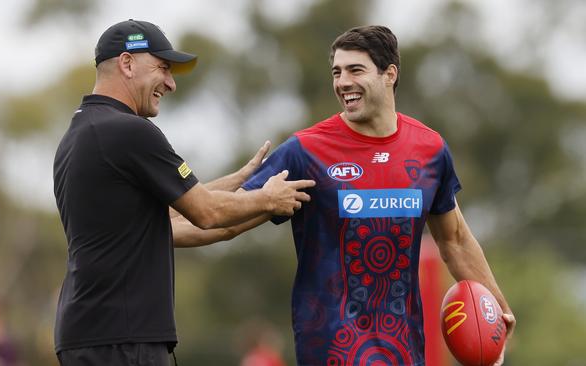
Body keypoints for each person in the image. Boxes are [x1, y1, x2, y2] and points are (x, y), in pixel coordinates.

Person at [172, 26, 516, 365]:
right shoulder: (306, 152)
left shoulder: (430, 150)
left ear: (389, 74)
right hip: (332, 351)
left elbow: (454, 240)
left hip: (404, 352)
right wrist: (143, 233)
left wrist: (497, 308)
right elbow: (225, 221)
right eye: (337, 72)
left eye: (355, 70)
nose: (342, 82)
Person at [52, 19, 315, 366]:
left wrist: (241, 180)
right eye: (163, 68)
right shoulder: (129, 132)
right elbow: (208, 213)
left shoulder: (82, 131)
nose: (171, 83)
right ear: (127, 64)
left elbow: (174, 219)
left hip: (94, 334)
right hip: (122, 340)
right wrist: (269, 198)